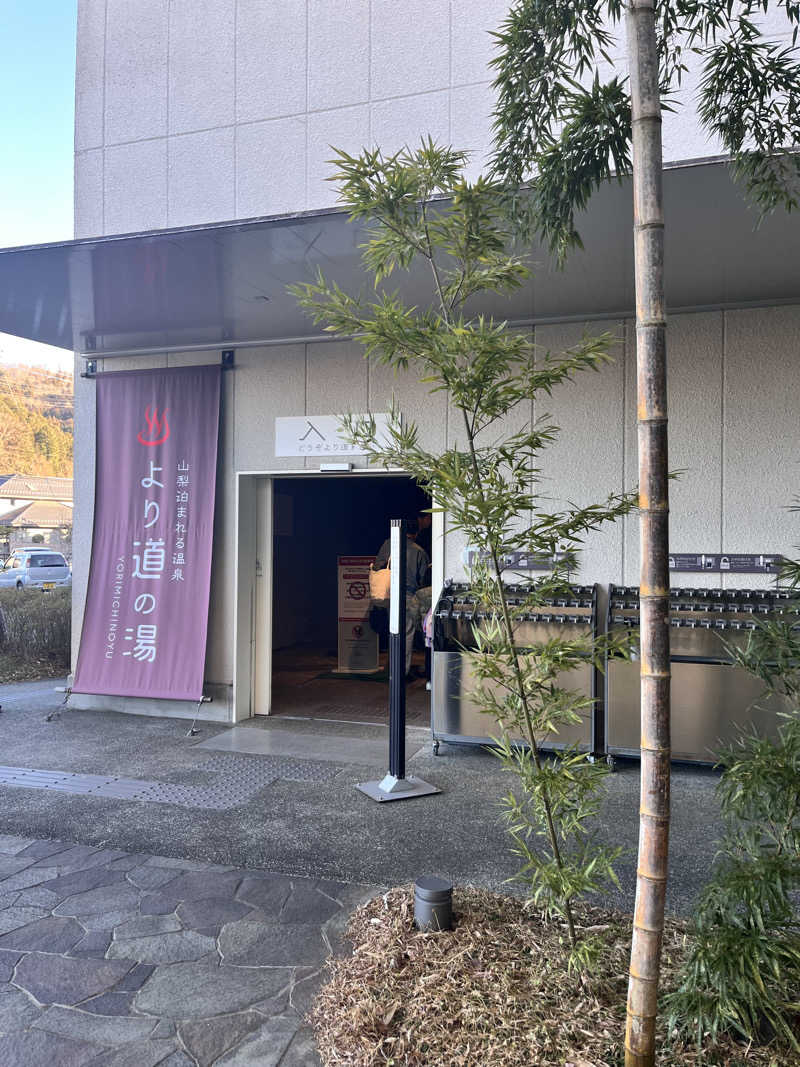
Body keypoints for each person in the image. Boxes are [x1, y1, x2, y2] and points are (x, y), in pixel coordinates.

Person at [373, 518, 431, 678]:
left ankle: (392, 669)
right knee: (406, 634)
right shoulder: (419, 551)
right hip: (409, 597)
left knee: (393, 632)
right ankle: (401, 672)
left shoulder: (388, 544)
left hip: (388, 595)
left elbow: (378, 567)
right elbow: (423, 578)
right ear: (416, 533)